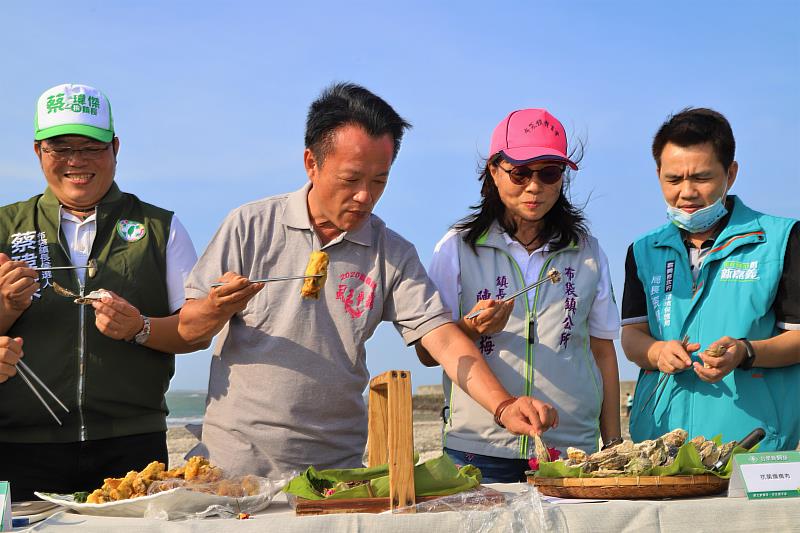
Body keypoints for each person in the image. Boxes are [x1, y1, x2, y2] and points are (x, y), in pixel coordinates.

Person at [178, 83, 559, 478]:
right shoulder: (250, 226)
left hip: (335, 472)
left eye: (379, 180)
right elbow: (189, 330)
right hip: (233, 466)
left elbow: (442, 339)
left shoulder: (390, 252)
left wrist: (502, 406)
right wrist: (215, 307)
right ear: (311, 162)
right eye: (350, 179)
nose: (365, 196)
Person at [0, 84, 205, 501]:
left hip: (133, 445)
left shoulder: (160, 228)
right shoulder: (5, 228)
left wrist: (141, 327)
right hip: (19, 447)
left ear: (115, 148)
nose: (76, 161)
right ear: (39, 152)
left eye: (91, 147)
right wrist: (3, 308)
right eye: (61, 148)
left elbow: (196, 331)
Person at [418, 108, 622, 482]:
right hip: (479, 449)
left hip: (571, 447)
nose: (534, 187)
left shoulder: (588, 252)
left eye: (549, 173)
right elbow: (428, 352)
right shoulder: (456, 248)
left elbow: (603, 351)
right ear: (494, 171)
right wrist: (470, 328)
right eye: (520, 173)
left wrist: (612, 443)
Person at [621, 108, 800, 451]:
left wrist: (746, 351)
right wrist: (657, 352)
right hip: (661, 443)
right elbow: (632, 337)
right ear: (658, 174)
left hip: (752, 442)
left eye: (701, 178)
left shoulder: (782, 240)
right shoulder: (642, 251)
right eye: (673, 180)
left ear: (730, 174)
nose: (686, 192)